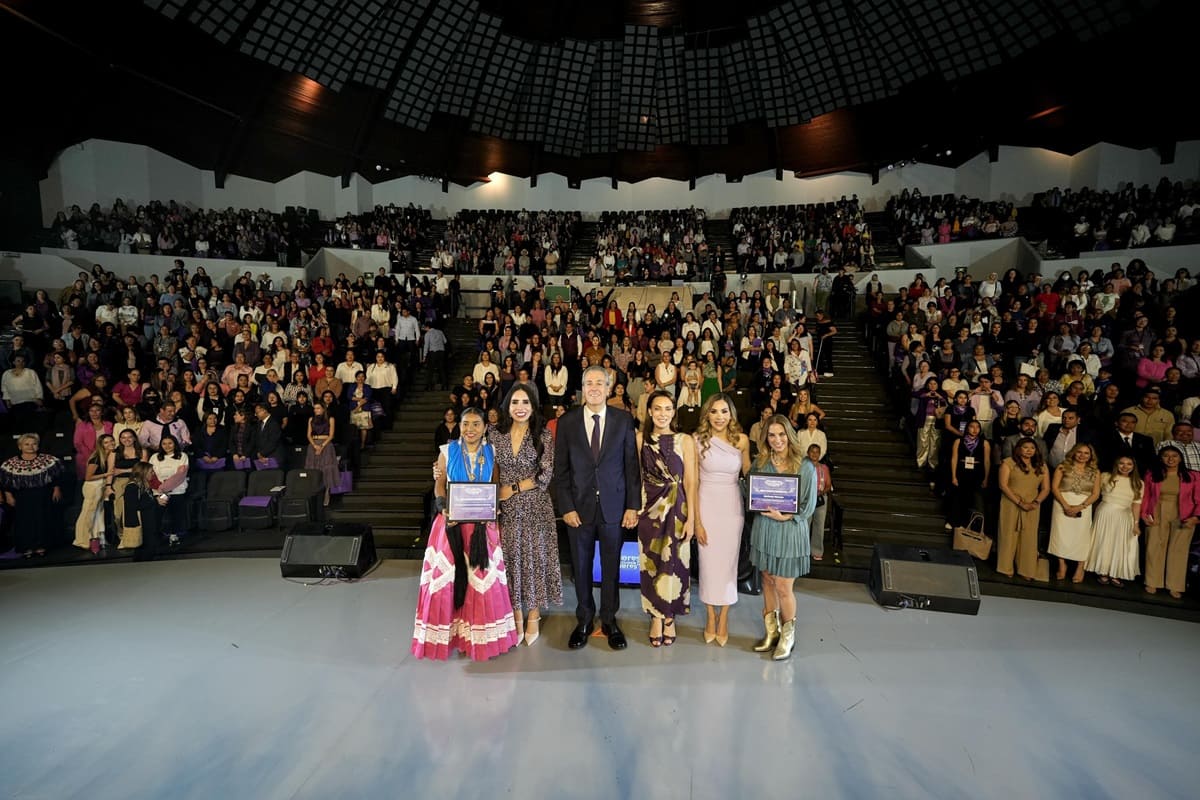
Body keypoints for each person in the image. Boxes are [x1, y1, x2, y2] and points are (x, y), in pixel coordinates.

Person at [413, 407, 521, 661]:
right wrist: (442, 505)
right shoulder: (446, 451)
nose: (469, 429)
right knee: (447, 580)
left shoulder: (492, 452)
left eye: (475, 424)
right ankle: (452, 637)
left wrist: (493, 508)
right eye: (465, 424)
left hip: (483, 525)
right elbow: (439, 484)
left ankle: (478, 640)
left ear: (485, 428)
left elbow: (494, 484)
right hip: (451, 522)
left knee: (482, 581)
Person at [554, 366, 641, 651]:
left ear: (608, 387)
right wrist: (565, 506)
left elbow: (631, 466)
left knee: (611, 568)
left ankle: (609, 620)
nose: (594, 388)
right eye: (588, 383)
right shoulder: (566, 423)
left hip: (614, 509)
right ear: (581, 388)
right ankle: (583, 620)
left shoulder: (623, 420)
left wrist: (632, 505)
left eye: (599, 383)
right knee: (580, 568)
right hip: (578, 510)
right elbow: (561, 470)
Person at [495, 383, 561, 645]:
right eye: (515, 402)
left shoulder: (543, 435)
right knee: (511, 559)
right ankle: (516, 611)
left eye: (525, 403)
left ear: (533, 407)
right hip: (507, 510)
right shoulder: (496, 435)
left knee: (534, 558)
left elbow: (545, 474)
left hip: (535, 506)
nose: (520, 408)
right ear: (507, 406)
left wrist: (512, 488)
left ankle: (533, 614)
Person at [749, 415, 818, 660]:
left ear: (789, 435)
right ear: (765, 438)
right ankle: (772, 633)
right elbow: (753, 494)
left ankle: (788, 637)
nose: (777, 440)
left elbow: (809, 506)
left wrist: (786, 517)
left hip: (789, 532)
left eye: (781, 434)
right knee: (767, 580)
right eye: (771, 435)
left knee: (783, 586)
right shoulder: (760, 462)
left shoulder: (805, 466)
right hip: (765, 530)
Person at [636, 390, 698, 647]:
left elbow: (692, 482)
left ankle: (669, 616)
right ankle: (655, 616)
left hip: (679, 509)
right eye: (657, 408)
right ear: (649, 412)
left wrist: (692, 518)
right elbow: (635, 476)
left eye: (667, 408)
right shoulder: (640, 438)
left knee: (675, 564)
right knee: (651, 564)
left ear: (674, 412)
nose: (662, 413)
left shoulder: (685, 440)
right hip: (650, 509)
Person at [692, 392, 751, 646]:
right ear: (707, 414)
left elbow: (750, 474)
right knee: (707, 563)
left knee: (729, 563)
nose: (719, 417)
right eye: (714, 412)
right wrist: (697, 521)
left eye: (724, 411)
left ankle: (724, 616)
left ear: (731, 414)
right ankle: (709, 615)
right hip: (706, 504)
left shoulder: (742, 440)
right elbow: (692, 484)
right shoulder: (696, 440)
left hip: (731, 507)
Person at [1140, 446, 1200, 598]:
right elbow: (1145, 496)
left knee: (1178, 550)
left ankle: (1174, 585)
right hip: (1157, 512)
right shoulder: (1152, 474)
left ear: (1180, 458)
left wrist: (1196, 517)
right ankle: (1152, 582)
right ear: (1161, 458)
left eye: (1174, 455)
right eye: (1166, 456)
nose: (1170, 459)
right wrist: (1144, 514)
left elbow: (1199, 499)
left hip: (1183, 514)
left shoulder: (1193, 476)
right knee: (1154, 546)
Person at [0, 434, 65, 559]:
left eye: (34, 444)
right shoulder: (10, 464)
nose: (31, 446)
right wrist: (8, 496)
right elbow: (5, 483)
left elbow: (57, 476)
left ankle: (42, 546)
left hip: (42, 495)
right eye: (27, 444)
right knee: (24, 522)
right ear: (20, 447)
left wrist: (56, 489)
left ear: (38, 445)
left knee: (43, 519)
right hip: (22, 497)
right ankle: (26, 547)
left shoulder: (48, 460)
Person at [996, 437, 1050, 580]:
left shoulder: (1041, 465)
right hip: (1011, 503)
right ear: (1018, 449)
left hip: (1033, 505)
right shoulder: (1008, 463)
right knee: (1008, 535)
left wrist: (1036, 502)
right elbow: (1003, 485)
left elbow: (1045, 488)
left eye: (1032, 448)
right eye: (1025, 447)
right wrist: (1020, 503)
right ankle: (1005, 567)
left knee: (1029, 537)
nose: (1029, 451)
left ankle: (1026, 569)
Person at [1048, 443, 1102, 584]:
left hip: (1083, 505)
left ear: (1091, 456)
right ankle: (1061, 564)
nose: (1082, 456)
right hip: (1062, 502)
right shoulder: (1062, 467)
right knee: (1060, 534)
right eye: (1079, 452)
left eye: (1086, 453)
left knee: (1081, 536)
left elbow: (1096, 493)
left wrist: (1080, 506)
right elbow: (1054, 487)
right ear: (1073, 452)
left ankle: (1080, 566)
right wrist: (1065, 505)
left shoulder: (1095, 471)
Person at [1087, 456, 1143, 587]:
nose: (1125, 466)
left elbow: (1136, 504)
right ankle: (1103, 571)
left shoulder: (1139, 483)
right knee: (1104, 541)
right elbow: (1093, 493)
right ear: (1116, 464)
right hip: (1105, 512)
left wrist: (1136, 524)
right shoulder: (1106, 476)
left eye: (1129, 464)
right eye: (1121, 463)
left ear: (1133, 466)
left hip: (1124, 515)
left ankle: (1115, 572)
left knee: (1119, 543)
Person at [73, 433, 117, 553]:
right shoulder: (97, 457)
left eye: (111, 441)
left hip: (100, 486)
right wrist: (106, 474)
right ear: (101, 445)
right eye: (106, 442)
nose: (110, 444)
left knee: (98, 513)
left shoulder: (109, 456)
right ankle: (81, 540)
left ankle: (97, 538)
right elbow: (88, 477)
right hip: (92, 486)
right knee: (88, 513)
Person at [946, 420, 990, 529]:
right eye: (972, 427)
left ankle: (971, 524)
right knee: (958, 497)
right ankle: (954, 521)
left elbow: (987, 461)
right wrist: (953, 476)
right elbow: (954, 458)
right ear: (967, 428)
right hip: (962, 471)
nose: (975, 430)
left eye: (977, 427)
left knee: (974, 498)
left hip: (977, 472)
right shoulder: (958, 441)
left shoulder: (984, 443)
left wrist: (986, 478)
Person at [122, 461, 168, 562]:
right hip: (141, 523)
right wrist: (155, 501)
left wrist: (157, 499)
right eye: (151, 472)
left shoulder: (144, 486)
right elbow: (133, 506)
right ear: (143, 472)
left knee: (148, 547)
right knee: (144, 549)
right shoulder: (132, 487)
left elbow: (146, 501)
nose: (153, 474)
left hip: (149, 522)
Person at [150, 434, 190, 547]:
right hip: (160, 492)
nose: (167, 446)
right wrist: (160, 489)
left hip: (176, 490)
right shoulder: (155, 457)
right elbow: (151, 474)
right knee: (158, 514)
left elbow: (180, 475)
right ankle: (156, 536)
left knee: (175, 514)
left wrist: (165, 487)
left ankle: (174, 535)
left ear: (175, 444)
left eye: (170, 443)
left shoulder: (182, 456)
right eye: (164, 444)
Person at [305, 401, 339, 506]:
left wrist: (322, 446)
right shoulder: (311, 419)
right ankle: (314, 493)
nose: (316, 410)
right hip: (313, 445)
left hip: (326, 445)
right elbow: (308, 435)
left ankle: (326, 493)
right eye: (315, 408)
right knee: (314, 469)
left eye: (318, 408)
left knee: (326, 470)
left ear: (323, 409)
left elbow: (331, 435)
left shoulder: (330, 419)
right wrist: (315, 446)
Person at [807, 443, 834, 562]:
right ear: (808, 453)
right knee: (804, 526)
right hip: (806, 499)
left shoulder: (824, 468)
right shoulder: (803, 467)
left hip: (820, 499)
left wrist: (822, 491)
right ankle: (802, 551)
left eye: (817, 452)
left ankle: (817, 551)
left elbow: (828, 485)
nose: (814, 454)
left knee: (819, 526)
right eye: (812, 451)